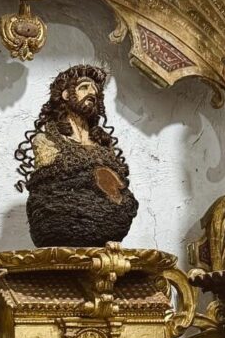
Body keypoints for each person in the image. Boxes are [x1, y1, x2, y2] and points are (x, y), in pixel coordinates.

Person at [15, 64, 139, 247]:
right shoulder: (47, 141)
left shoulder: (105, 146)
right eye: (84, 87)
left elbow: (121, 193)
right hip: (61, 231)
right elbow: (54, 191)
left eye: (95, 89)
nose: (92, 93)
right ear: (66, 95)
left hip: (107, 237)